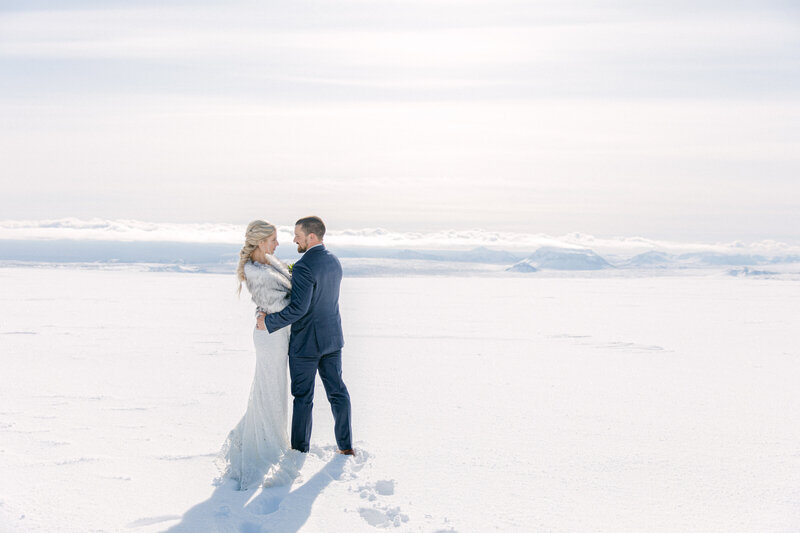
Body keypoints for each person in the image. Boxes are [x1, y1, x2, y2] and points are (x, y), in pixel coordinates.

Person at [257, 216, 353, 455]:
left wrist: (268, 322)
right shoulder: (334, 261)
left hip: (306, 345)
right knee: (338, 392)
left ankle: (299, 452)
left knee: (303, 398)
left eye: (298, 236)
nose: (294, 240)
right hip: (332, 340)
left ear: (311, 236)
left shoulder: (303, 266)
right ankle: (346, 446)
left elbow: (299, 309)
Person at [216, 220, 294, 490]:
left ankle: (265, 439)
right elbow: (279, 304)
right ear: (261, 242)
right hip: (270, 336)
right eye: (273, 239)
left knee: (274, 388)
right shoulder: (256, 271)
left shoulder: (269, 264)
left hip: (277, 332)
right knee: (269, 389)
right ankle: (265, 446)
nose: (277, 243)